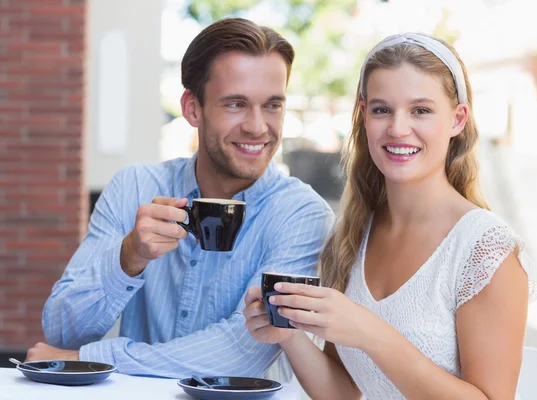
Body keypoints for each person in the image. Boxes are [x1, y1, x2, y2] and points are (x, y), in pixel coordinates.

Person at [243, 33, 537, 399]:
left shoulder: (485, 252)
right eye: (382, 109)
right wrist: (289, 334)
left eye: (420, 110)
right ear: (363, 115)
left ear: (457, 119)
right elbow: (345, 393)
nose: (398, 128)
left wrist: (372, 333)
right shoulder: (355, 234)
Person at [26, 18, 334, 378]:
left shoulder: (303, 215)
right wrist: (128, 257)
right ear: (192, 108)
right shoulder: (134, 187)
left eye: (272, 105)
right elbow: (63, 331)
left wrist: (92, 358)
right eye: (236, 104)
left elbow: (242, 354)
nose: (257, 126)